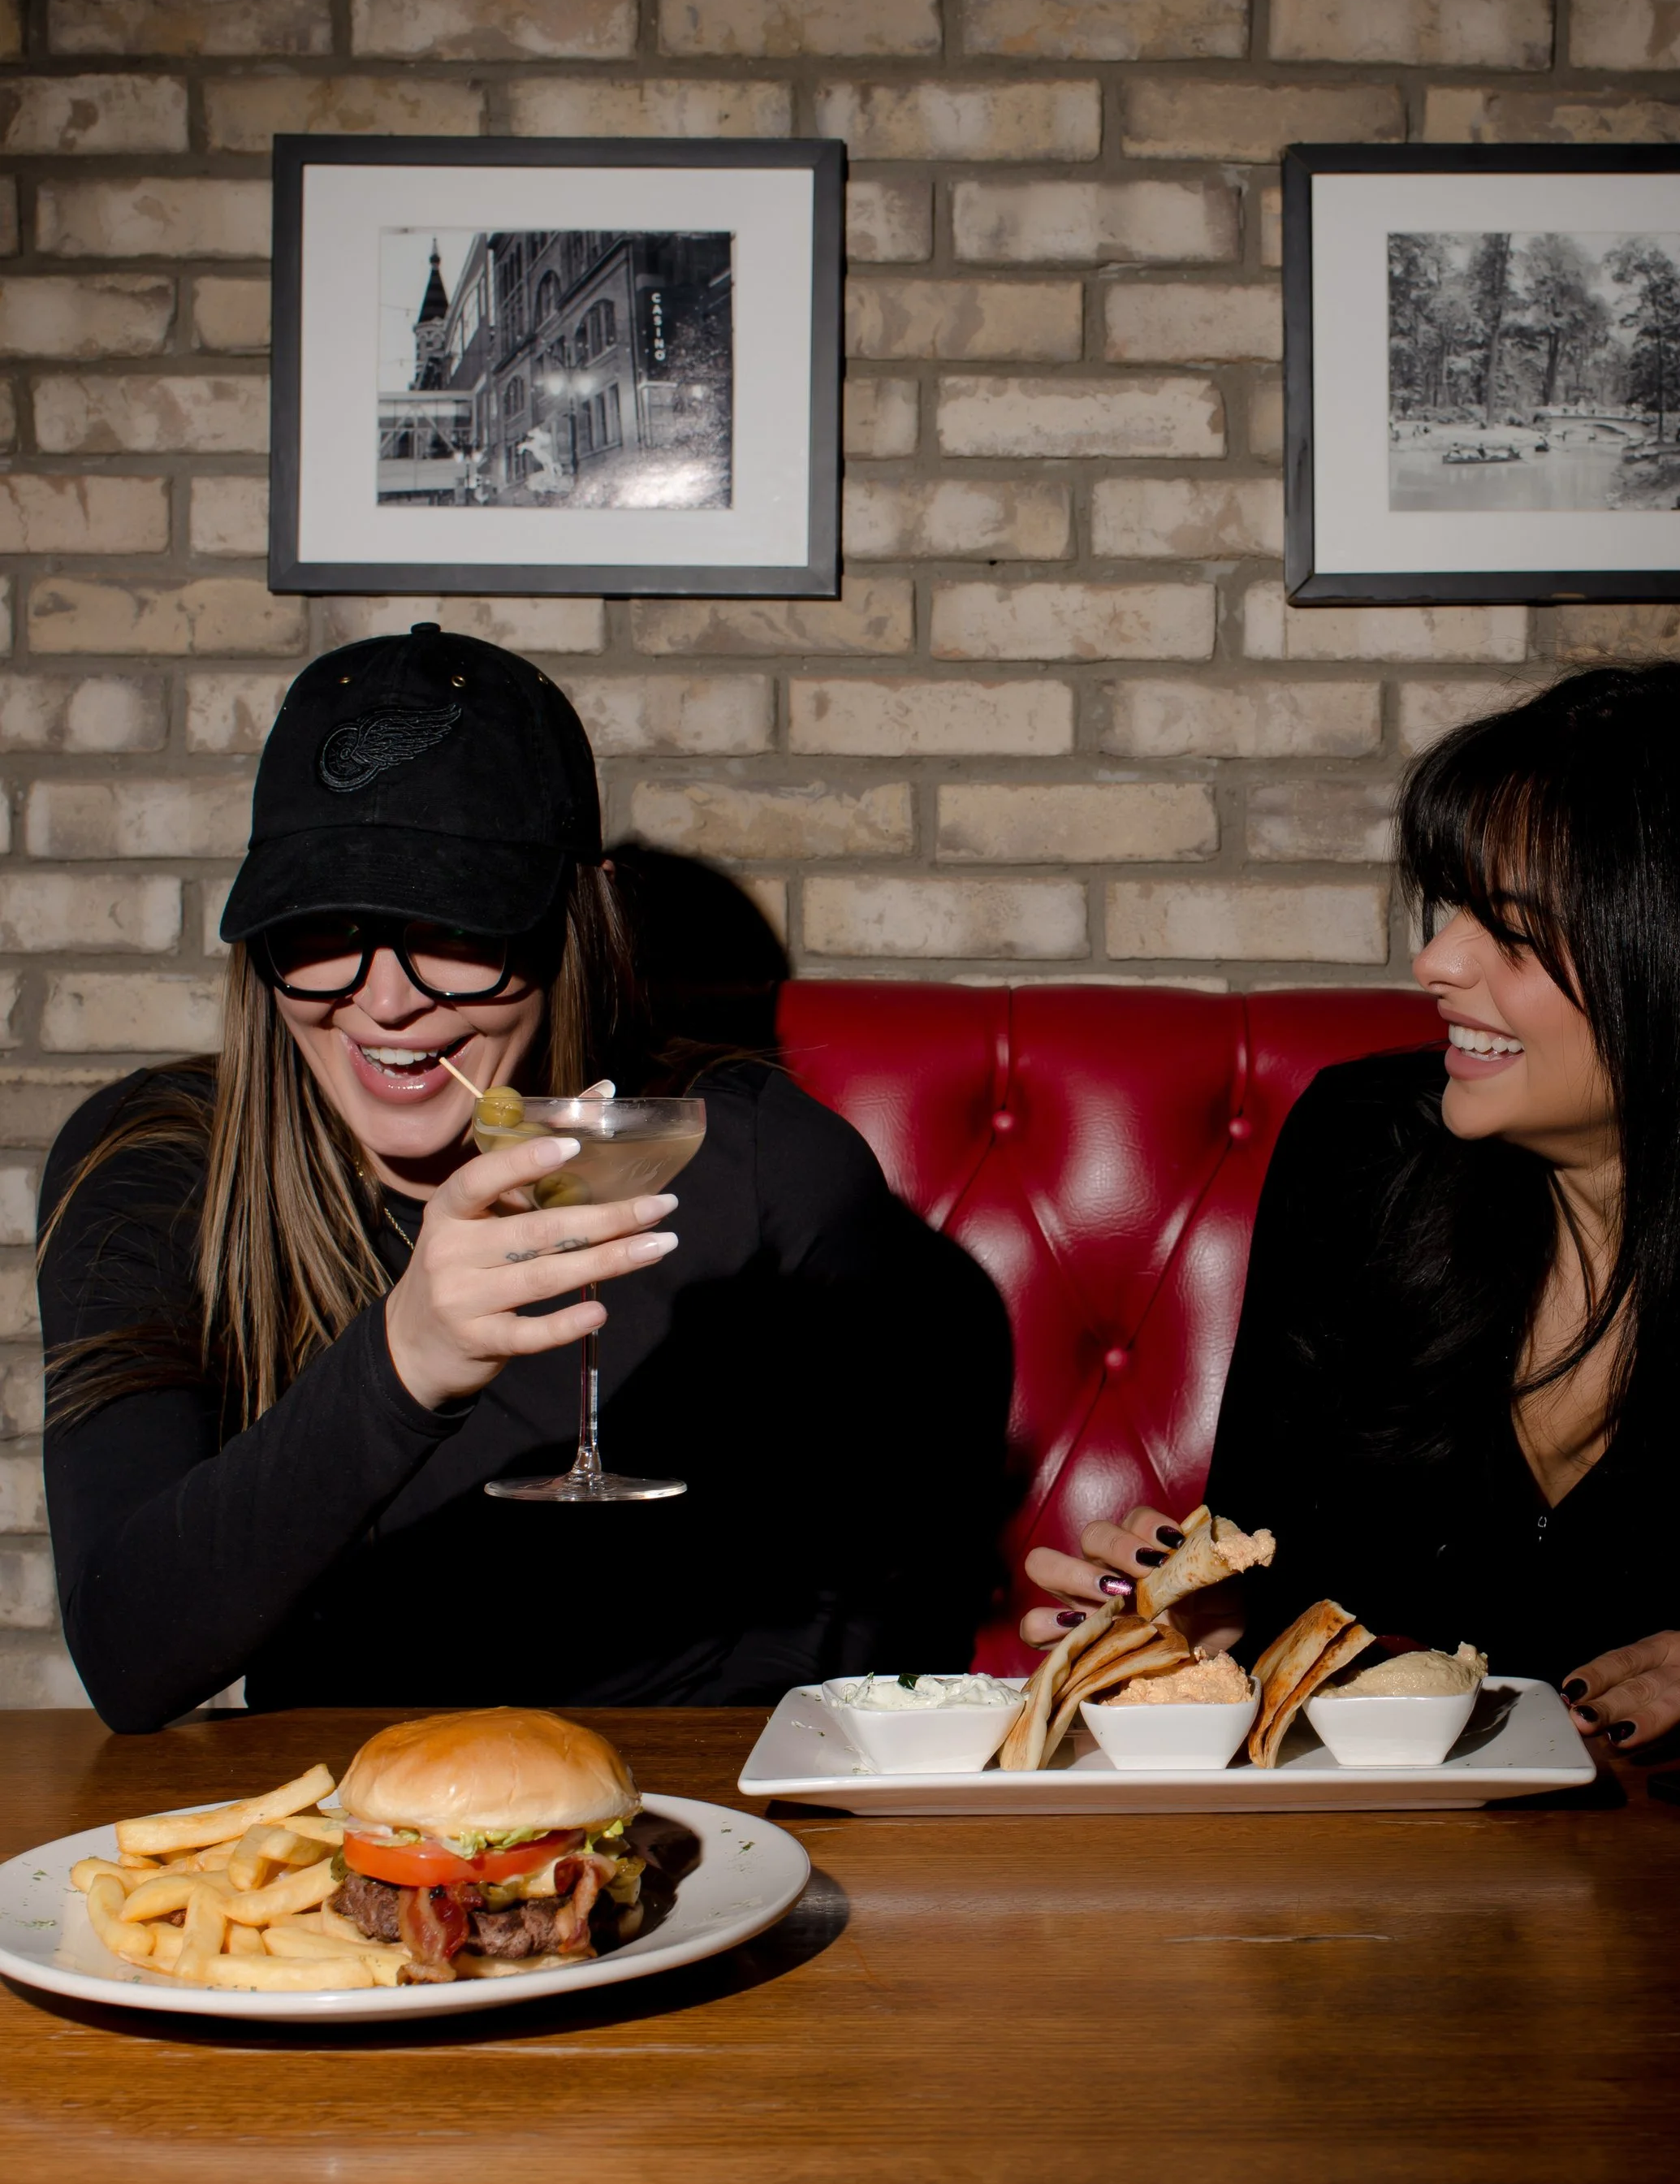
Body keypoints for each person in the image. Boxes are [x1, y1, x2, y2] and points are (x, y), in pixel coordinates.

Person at [39, 623, 1008, 1732]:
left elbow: (854, 1626)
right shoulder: (161, 1167)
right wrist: (404, 1362)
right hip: (332, 1825)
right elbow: (128, 1657)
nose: (384, 999)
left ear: (572, 918)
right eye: (322, 927)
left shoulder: (756, 1168)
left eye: (452, 925)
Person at [1024, 663, 1680, 1758]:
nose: (1436, 962)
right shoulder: (1363, 1149)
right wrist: (1208, 1623)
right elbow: (1269, 1552)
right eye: (1455, 911)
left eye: (1515, 930)